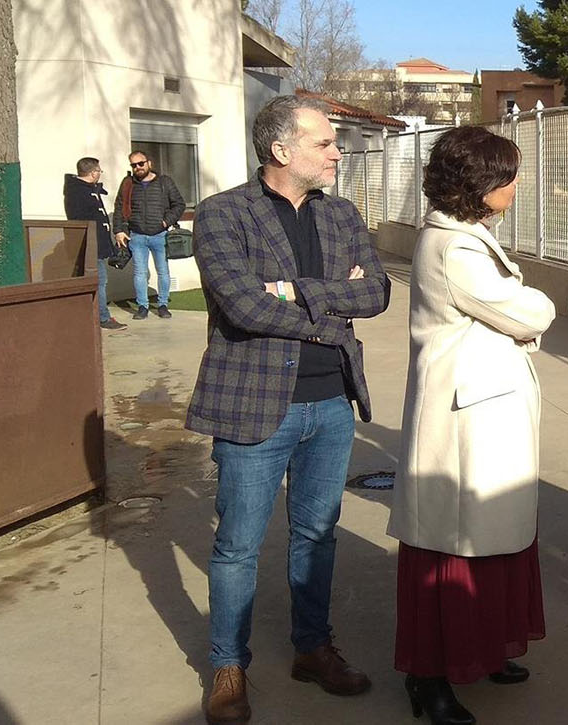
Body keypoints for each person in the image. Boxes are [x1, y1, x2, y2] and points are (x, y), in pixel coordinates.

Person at [186, 95, 391, 724]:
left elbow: (377, 291)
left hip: (331, 403)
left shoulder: (342, 214)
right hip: (252, 404)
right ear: (282, 151)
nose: (337, 152)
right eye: (325, 143)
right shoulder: (223, 215)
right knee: (238, 547)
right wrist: (331, 314)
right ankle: (227, 665)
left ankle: (312, 648)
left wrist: (294, 292)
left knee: (317, 536)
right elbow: (244, 308)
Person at [388, 126, 555, 725]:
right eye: (507, 174)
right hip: (464, 420)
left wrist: (515, 305)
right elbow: (526, 309)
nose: (515, 184)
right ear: (481, 185)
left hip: (483, 411)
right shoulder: (453, 248)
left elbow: (508, 310)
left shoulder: (468, 235)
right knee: (452, 543)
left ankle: (483, 649)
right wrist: (528, 304)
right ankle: (428, 676)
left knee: (489, 538)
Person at [112, 150, 185, 319]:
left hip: (159, 235)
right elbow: (119, 208)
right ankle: (143, 307)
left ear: (149, 163)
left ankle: (163, 305)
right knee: (139, 273)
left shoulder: (164, 182)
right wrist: (118, 230)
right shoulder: (128, 183)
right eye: (133, 165)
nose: (137, 167)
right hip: (136, 236)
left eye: (141, 163)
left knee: (163, 272)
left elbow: (179, 204)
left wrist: (166, 221)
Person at [64, 156, 126, 329]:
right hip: (89, 244)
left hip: (96, 244)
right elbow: (83, 220)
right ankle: (102, 318)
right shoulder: (79, 192)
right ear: (92, 173)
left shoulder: (85, 189)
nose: (100, 174)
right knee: (99, 281)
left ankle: (94, 315)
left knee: (97, 281)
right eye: (99, 171)